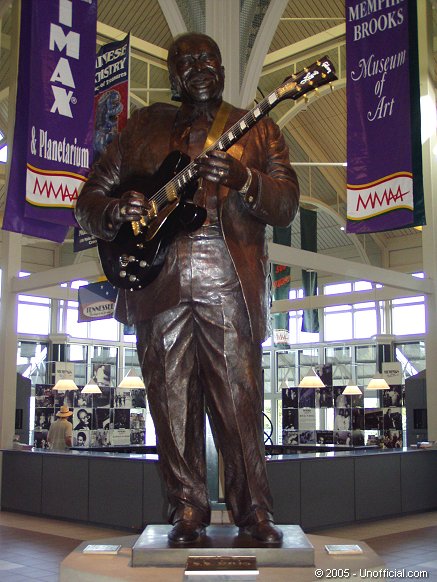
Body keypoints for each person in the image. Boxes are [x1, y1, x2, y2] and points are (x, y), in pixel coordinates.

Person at [75, 32, 299, 545]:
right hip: (157, 277)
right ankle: (187, 510)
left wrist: (245, 178)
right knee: (170, 401)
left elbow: (286, 204)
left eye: (208, 58)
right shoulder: (144, 129)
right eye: (186, 61)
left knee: (239, 403)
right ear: (174, 76)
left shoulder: (258, 129)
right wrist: (114, 210)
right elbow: (89, 197)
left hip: (228, 279)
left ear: (222, 68)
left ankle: (255, 514)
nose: (199, 67)